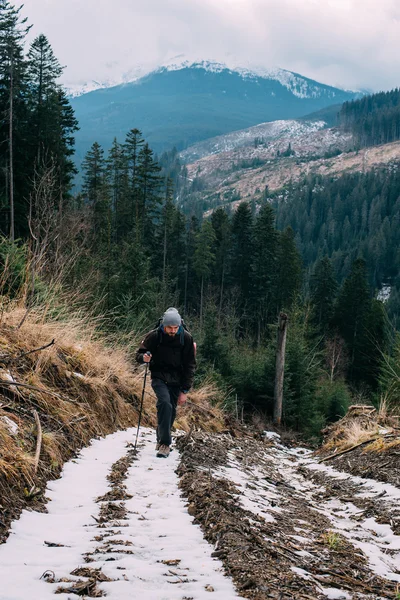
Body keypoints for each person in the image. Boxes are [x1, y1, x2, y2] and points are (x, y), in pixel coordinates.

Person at [136, 307, 196, 458]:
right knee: (165, 403)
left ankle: (161, 438)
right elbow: (139, 354)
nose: (173, 330)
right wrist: (144, 358)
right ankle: (165, 444)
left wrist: (185, 391)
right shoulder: (154, 336)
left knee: (171, 411)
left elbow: (190, 365)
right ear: (164, 325)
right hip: (159, 376)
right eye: (170, 327)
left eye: (176, 328)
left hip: (177, 379)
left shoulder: (186, 338)